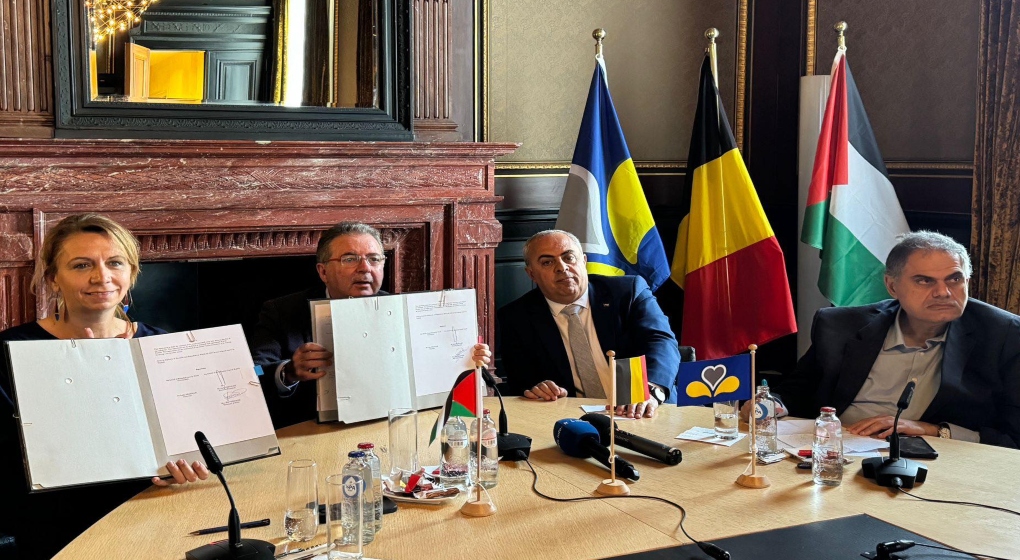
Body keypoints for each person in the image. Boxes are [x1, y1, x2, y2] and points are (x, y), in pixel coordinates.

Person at [0, 214, 208, 560]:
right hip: (59, 523)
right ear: (53, 278)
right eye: (81, 265)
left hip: (156, 506)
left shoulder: (164, 346)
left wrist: (187, 465)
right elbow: (11, 462)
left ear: (132, 273)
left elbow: (189, 436)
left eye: (115, 263)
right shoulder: (11, 350)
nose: (102, 277)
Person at [776, 231, 1020, 449]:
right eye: (924, 281)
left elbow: (1014, 436)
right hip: (834, 449)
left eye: (954, 279)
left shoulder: (1003, 335)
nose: (943, 292)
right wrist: (770, 405)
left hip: (935, 459)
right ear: (892, 286)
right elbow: (792, 394)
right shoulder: (841, 326)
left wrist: (934, 430)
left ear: (967, 281)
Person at [250, 221, 490, 428]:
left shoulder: (403, 310)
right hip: (312, 430)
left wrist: (466, 358)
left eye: (374, 259)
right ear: (323, 272)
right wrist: (288, 371)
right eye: (350, 259)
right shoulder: (281, 312)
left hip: (392, 425)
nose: (365, 268)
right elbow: (254, 371)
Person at [497, 230, 680, 418]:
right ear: (531, 274)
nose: (562, 267)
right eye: (547, 262)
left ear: (584, 261)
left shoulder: (628, 292)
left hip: (641, 408)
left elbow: (661, 341)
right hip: (571, 418)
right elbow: (522, 381)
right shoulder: (516, 317)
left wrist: (652, 388)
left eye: (569, 258)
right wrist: (540, 390)